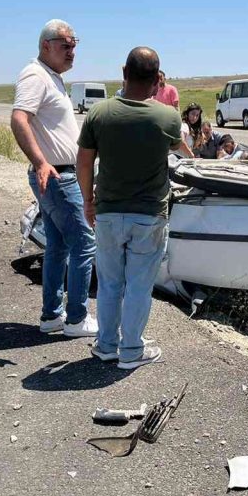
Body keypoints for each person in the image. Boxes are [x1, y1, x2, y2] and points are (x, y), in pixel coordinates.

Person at [77, 46, 181, 369]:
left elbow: (83, 163)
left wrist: (88, 201)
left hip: (107, 213)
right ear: (157, 81)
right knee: (138, 284)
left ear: (124, 72)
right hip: (149, 216)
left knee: (109, 282)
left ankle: (107, 345)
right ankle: (132, 350)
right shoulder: (167, 117)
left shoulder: (99, 113)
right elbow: (179, 150)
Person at [11, 19, 97, 337]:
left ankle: (52, 317)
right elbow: (19, 118)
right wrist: (40, 162)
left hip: (57, 173)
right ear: (46, 45)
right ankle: (76, 319)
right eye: (65, 45)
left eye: (75, 45)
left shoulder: (52, 77)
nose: (72, 51)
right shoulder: (36, 75)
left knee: (58, 246)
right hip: (58, 175)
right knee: (85, 245)